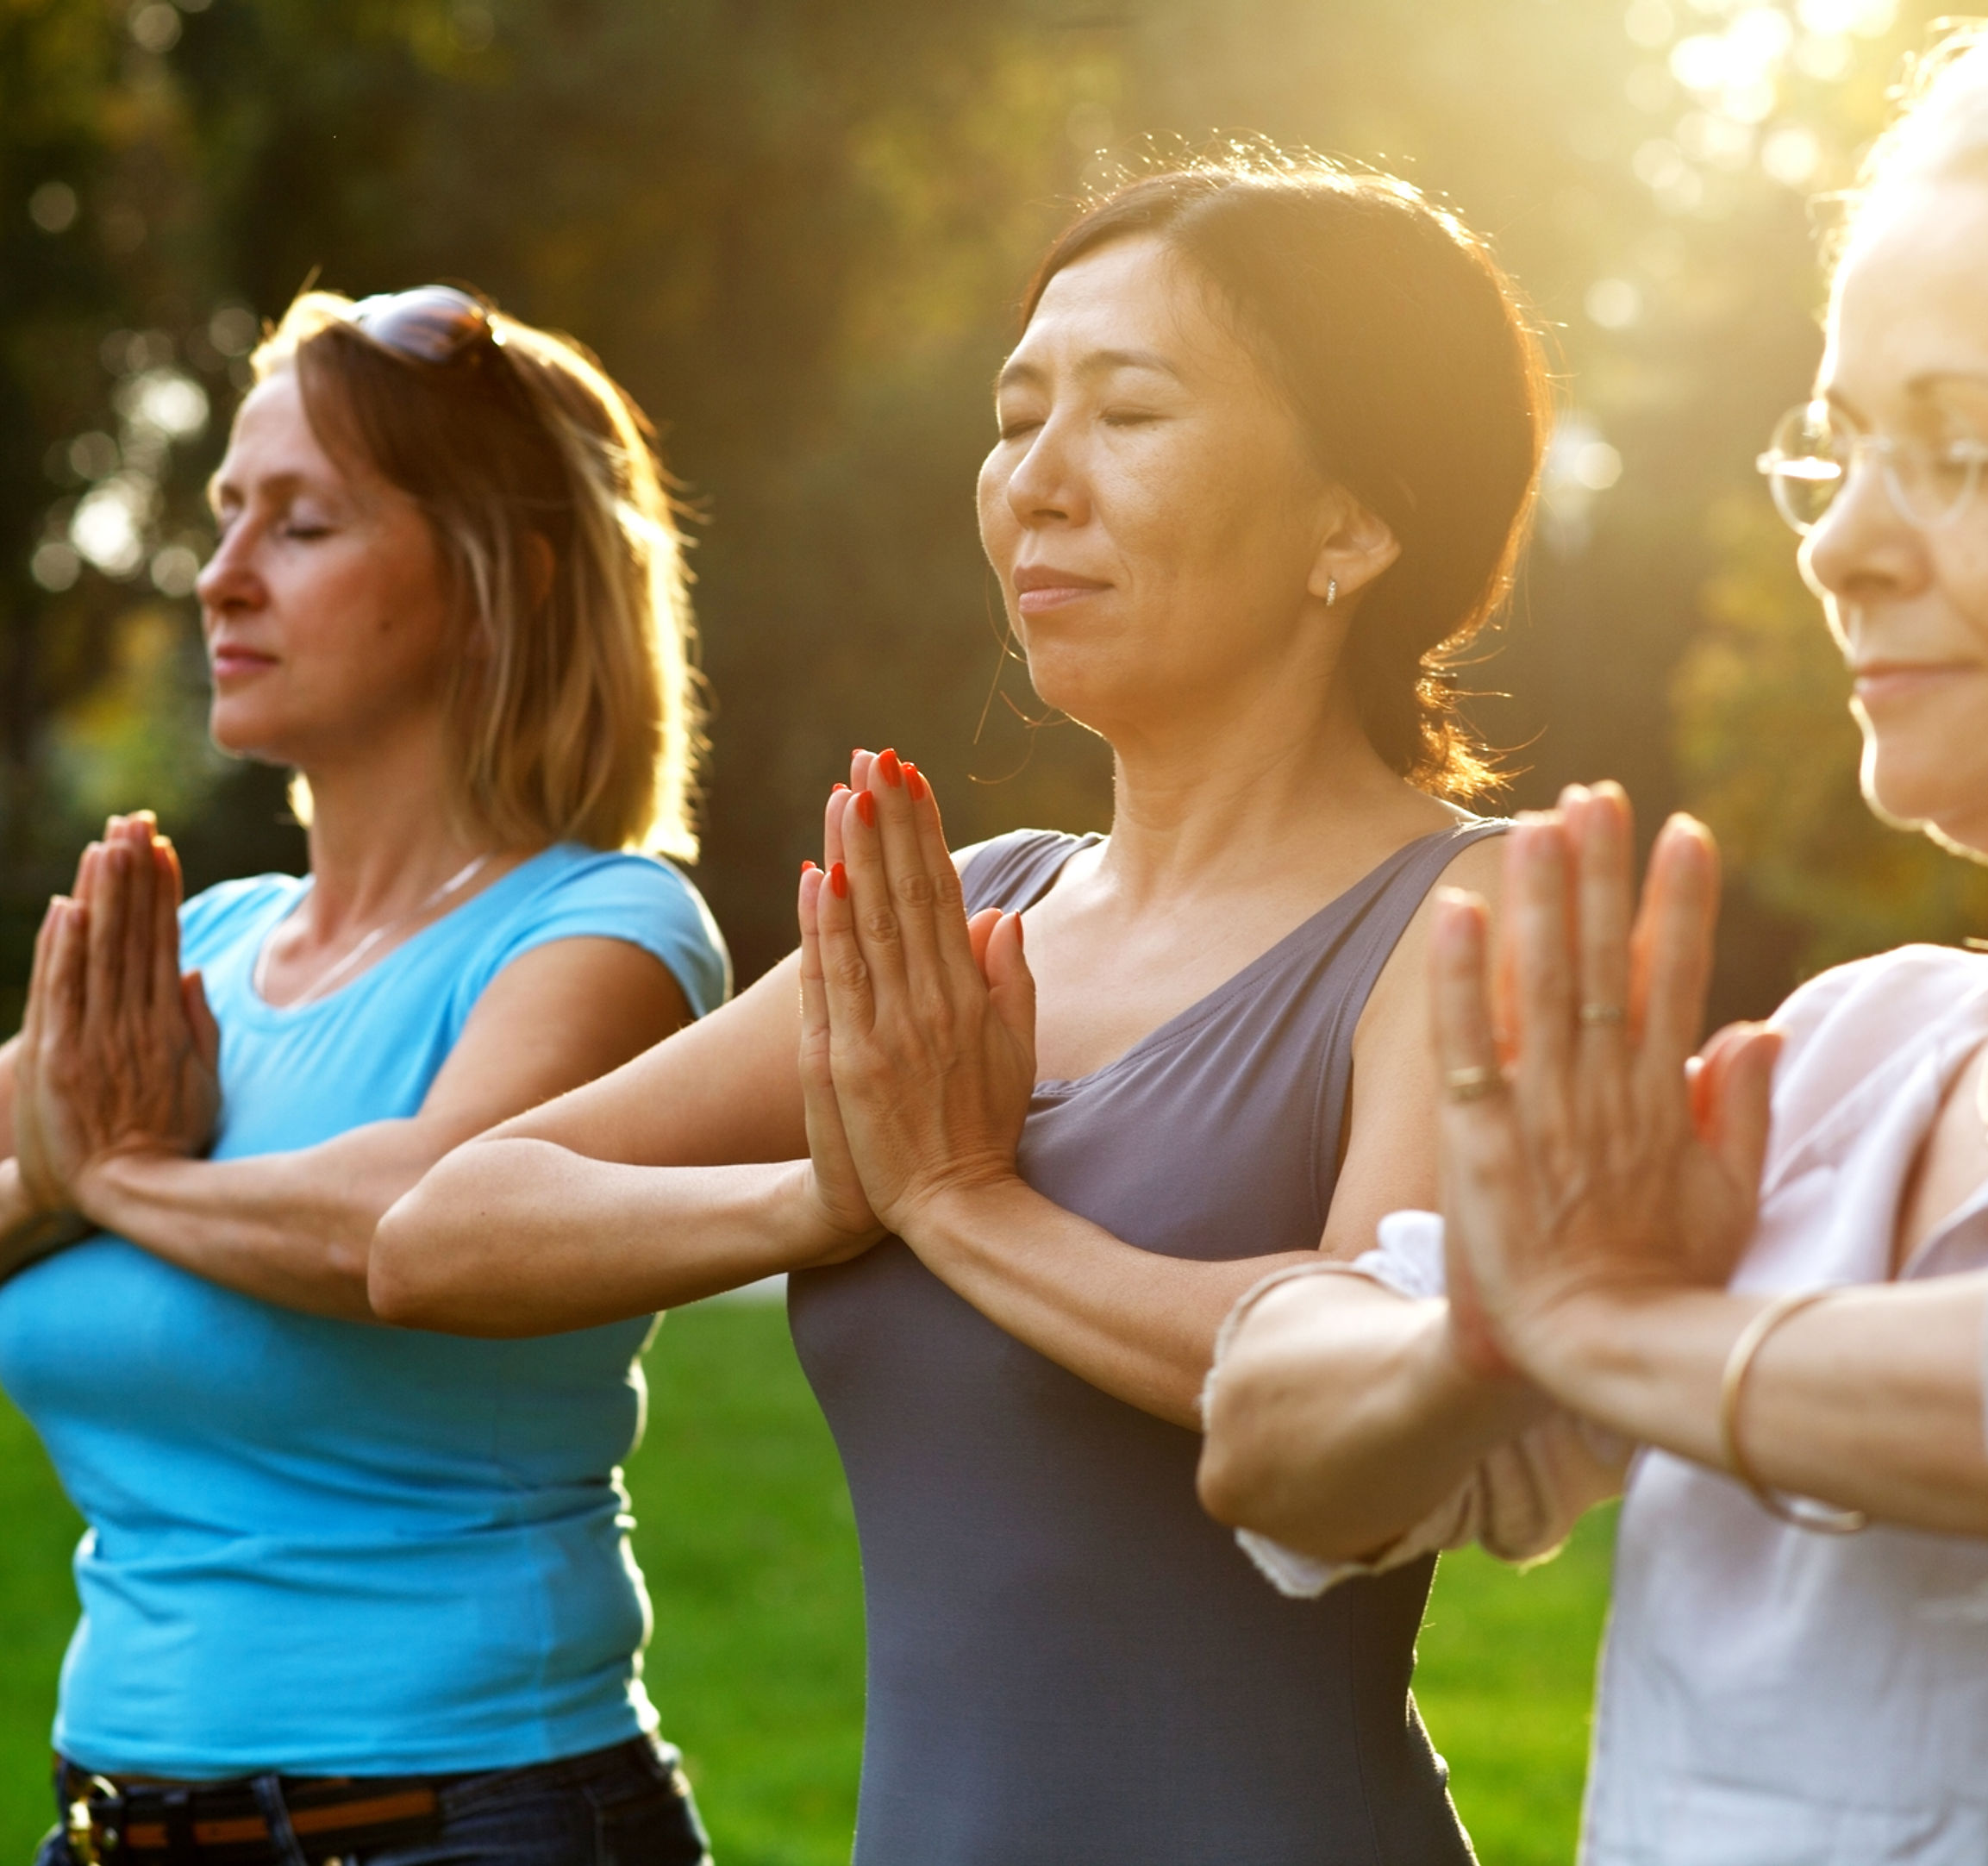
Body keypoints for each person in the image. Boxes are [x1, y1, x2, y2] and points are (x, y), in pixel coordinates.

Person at [1198, 16, 1988, 1864]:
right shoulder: (1856, 1049)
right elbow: (1265, 1426)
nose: (1843, 547)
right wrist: (1488, 1335)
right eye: (1842, 448)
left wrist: (1611, 1327)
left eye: (1968, 454)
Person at [374, 158, 1547, 1863]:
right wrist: (823, 1193)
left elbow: (1377, 1388)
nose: (1035, 483)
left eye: (1128, 412)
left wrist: (958, 1204)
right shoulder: (972, 908)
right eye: (1017, 415)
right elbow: (441, 1227)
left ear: (1356, 521)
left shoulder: (1466, 914)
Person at [0, 285, 728, 1866]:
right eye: (225, 515)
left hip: (462, 1823)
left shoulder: (599, 930)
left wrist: (116, 1180)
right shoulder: (190, 951)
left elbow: (413, 1221)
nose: (220, 575)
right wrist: (72, 1175)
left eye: (304, 524)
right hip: (114, 1825)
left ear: (496, 583)